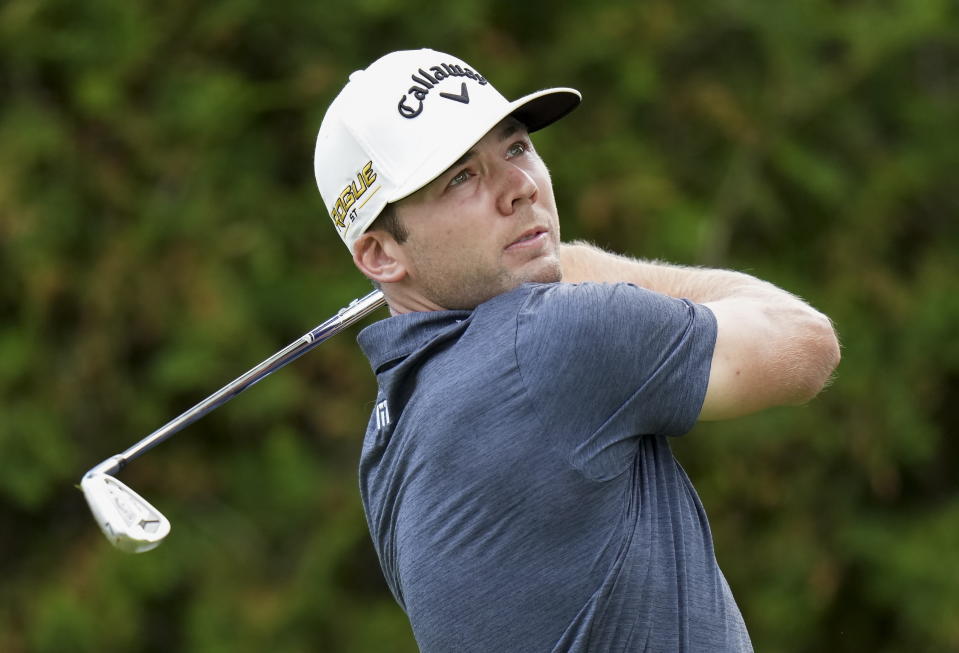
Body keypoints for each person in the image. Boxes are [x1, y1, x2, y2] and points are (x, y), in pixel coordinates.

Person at [313, 48, 840, 652]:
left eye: (515, 147)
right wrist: (592, 267)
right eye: (460, 177)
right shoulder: (549, 338)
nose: (520, 187)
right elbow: (804, 343)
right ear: (381, 255)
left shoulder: (386, 442)